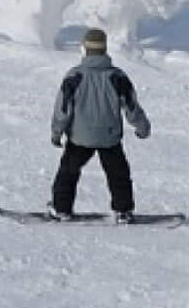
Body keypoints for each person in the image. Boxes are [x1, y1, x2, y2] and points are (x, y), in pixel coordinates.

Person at [51, 27, 151, 218]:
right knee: (118, 174)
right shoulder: (117, 77)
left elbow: (62, 110)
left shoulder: (74, 76)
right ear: (105, 49)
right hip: (109, 137)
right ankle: (123, 211)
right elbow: (131, 108)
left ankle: (61, 209)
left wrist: (56, 133)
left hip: (80, 137)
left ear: (85, 49)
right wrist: (142, 128)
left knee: (68, 173)